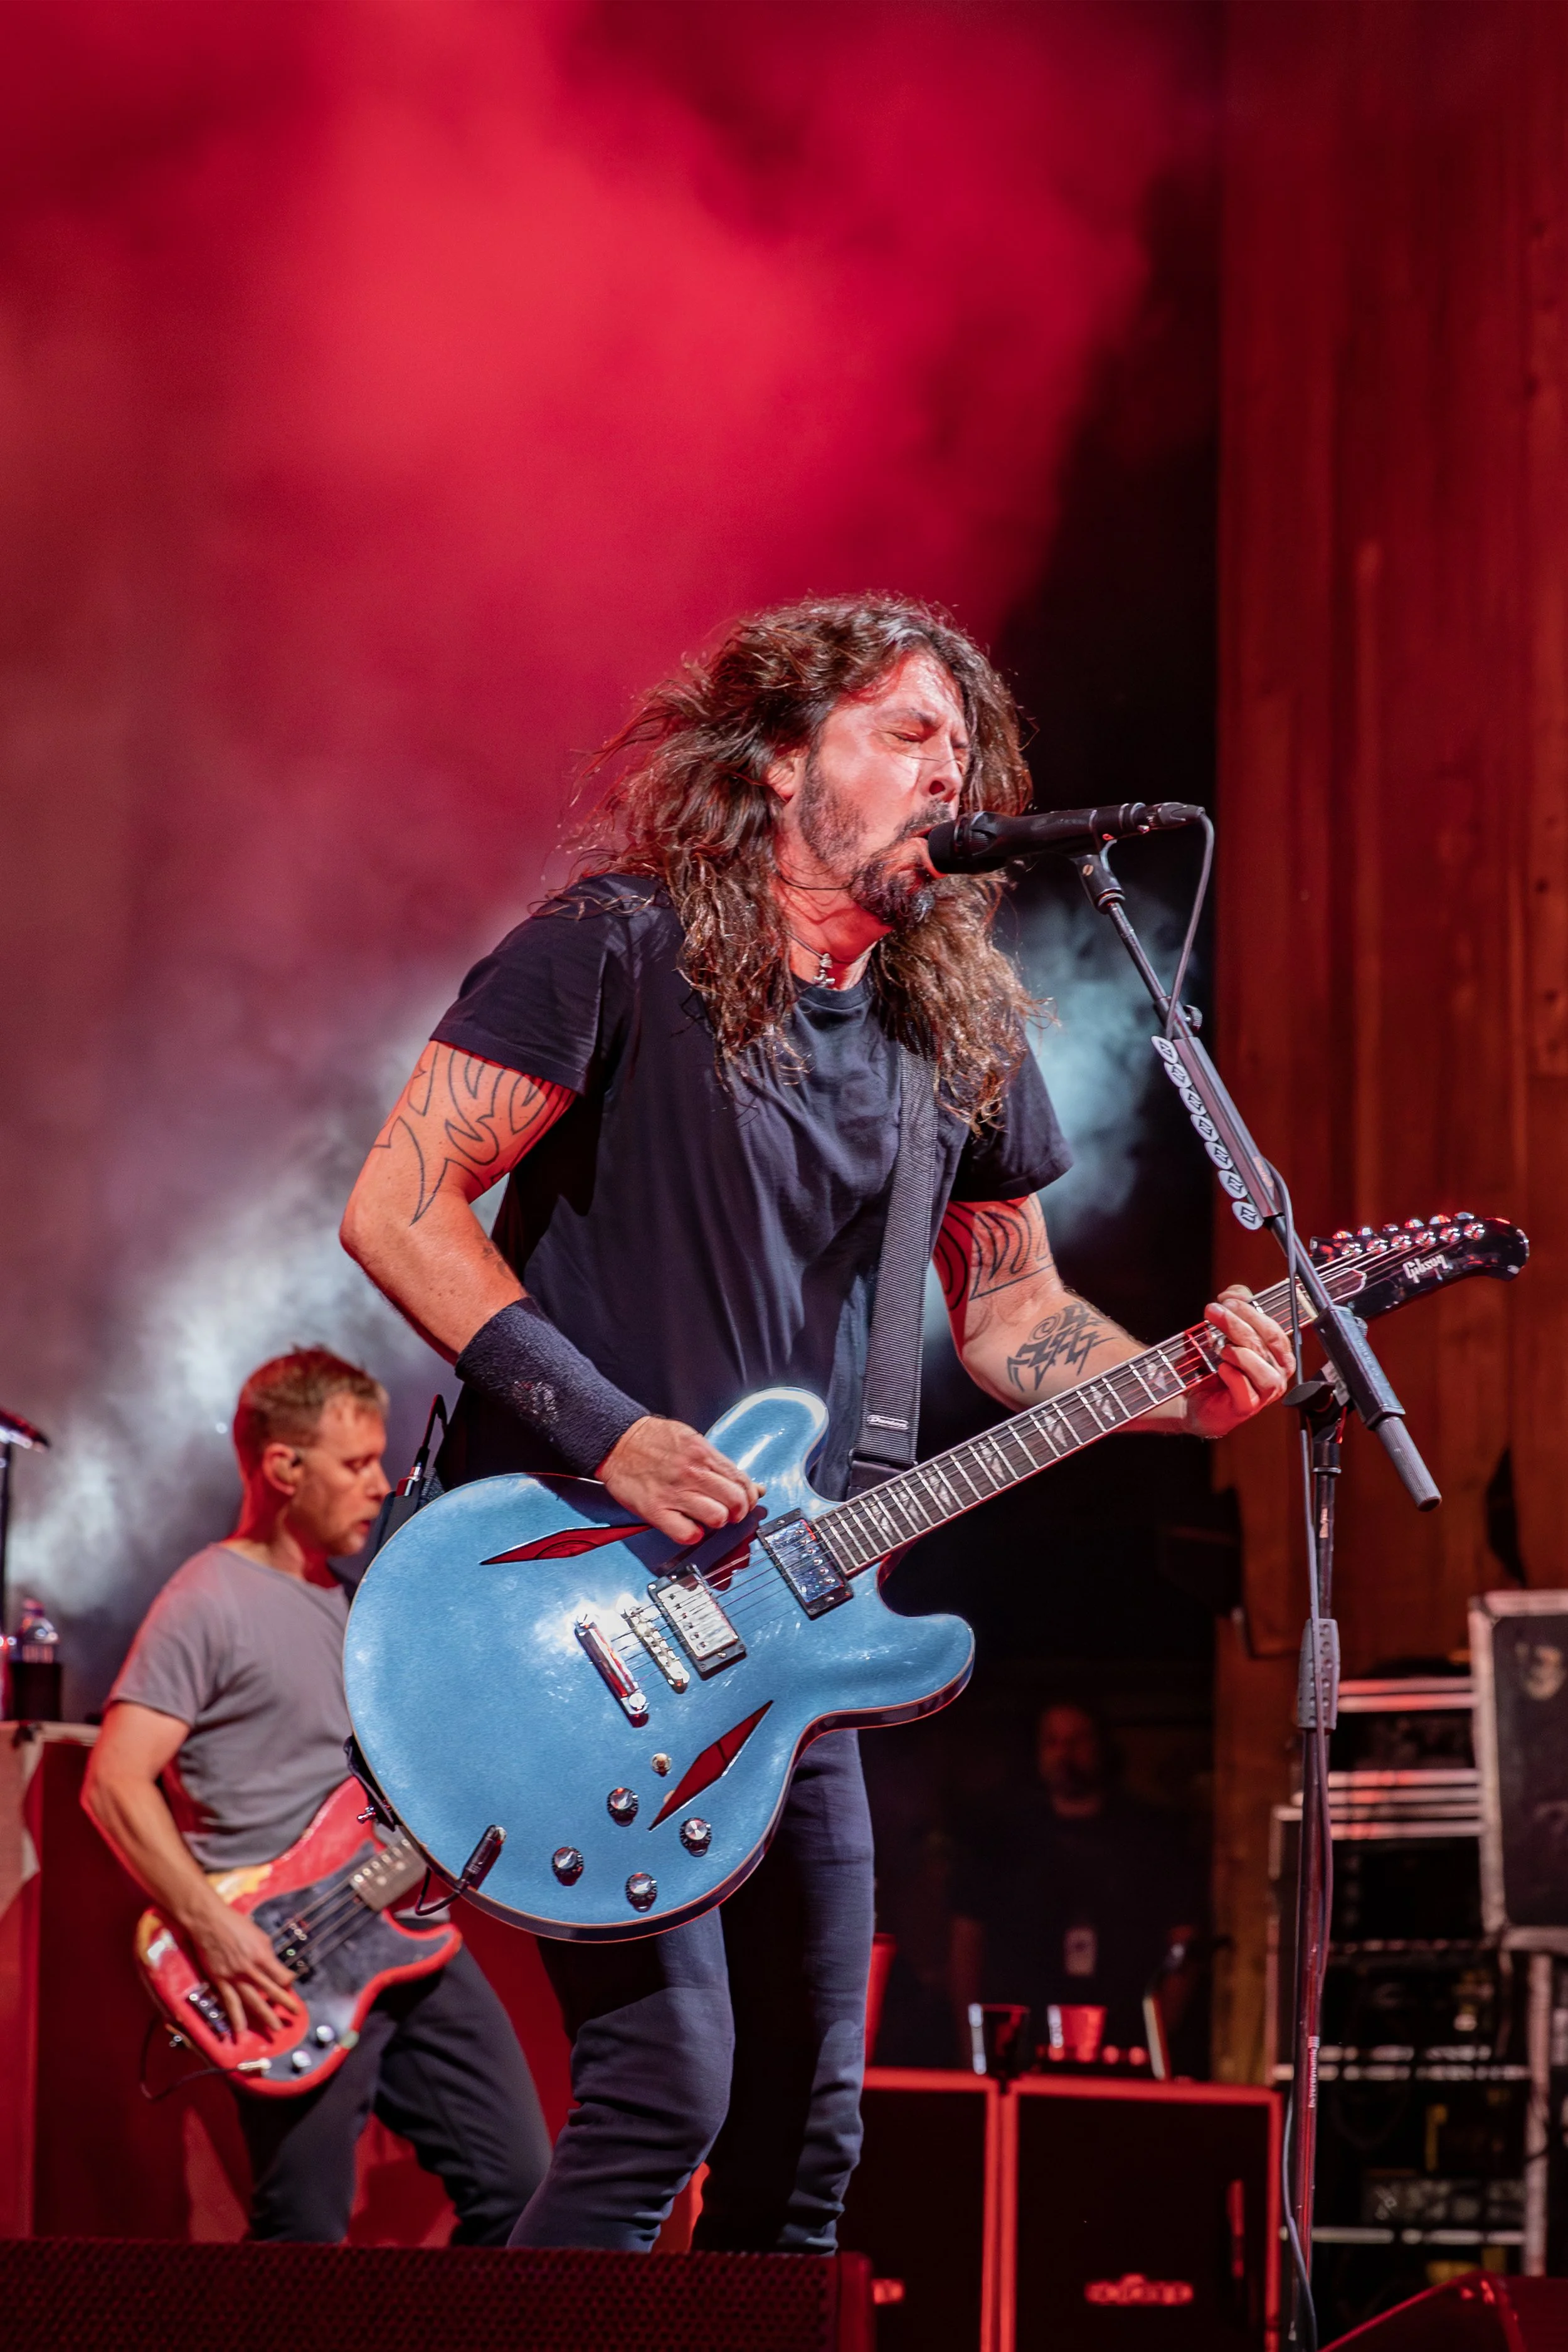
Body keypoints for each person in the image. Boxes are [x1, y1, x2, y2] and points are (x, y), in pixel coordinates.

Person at [339, 593, 1294, 2254]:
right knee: (664, 2078)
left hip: (781, 1625)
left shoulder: (955, 1032)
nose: (947, 771)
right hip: (566, 1588)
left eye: (962, 746)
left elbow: (1011, 1316)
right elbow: (398, 1204)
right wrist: (612, 1425)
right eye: (902, 732)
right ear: (780, 760)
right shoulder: (614, 945)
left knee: (806, 2134)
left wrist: (1175, 1388)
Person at [83, 1347, 551, 2244]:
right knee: (303, 2229)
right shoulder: (206, 1598)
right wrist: (216, 1930)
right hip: (282, 1955)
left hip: (403, 1930)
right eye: (356, 1462)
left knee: (521, 2187)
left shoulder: (351, 1606)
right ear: (282, 1467)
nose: (381, 1485)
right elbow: (114, 1782)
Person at [949, 1698, 1205, 2065]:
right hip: (1022, 2049)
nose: (1064, 1754)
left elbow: (1185, 1946)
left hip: (1123, 2047)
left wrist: (1157, 2045)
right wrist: (974, 2051)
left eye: (1078, 1741)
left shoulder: (1152, 1837)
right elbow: (966, 1948)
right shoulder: (1000, 1839)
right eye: (1052, 1742)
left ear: (1102, 1747)